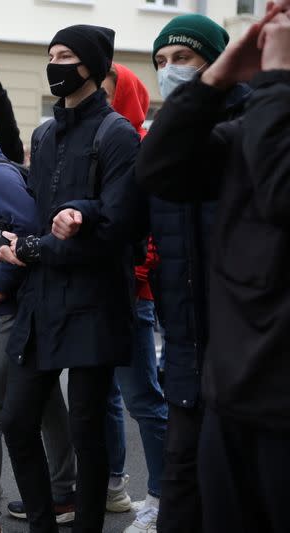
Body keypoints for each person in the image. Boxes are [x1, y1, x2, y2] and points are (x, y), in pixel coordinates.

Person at [136, 4, 290, 531]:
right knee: (186, 493)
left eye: (184, 58)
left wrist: (275, 84)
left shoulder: (267, 114)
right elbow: (160, 168)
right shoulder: (240, 127)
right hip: (217, 374)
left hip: (274, 392)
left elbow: (279, 192)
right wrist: (216, 79)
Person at [0, 25, 143, 533]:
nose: (54, 64)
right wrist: (6, 237)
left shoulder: (117, 133)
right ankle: (42, 524)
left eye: (66, 56)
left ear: (94, 66)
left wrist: (58, 236)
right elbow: (33, 214)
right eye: (51, 55)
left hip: (94, 300)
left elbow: (121, 227)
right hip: (41, 298)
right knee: (16, 421)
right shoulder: (44, 133)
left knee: (86, 429)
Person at [134, 14, 247, 533]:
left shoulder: (251, 125)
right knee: (181, 487)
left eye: (182, 58)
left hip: (248, 353)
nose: (170, 70)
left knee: (238, 493)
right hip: (184, 347)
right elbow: (128, 207)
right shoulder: (168, 139)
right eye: (161, 61)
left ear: (218, 61)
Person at [99, 62, 168, 533]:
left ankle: (164, 497)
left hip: (130, 295)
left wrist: (133, 275)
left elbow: (153, 230)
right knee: (102, 396)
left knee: (143, 398)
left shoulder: (141, 150)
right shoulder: (95, 144)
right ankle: (112, 486)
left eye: (106, 94)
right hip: (94, 293)